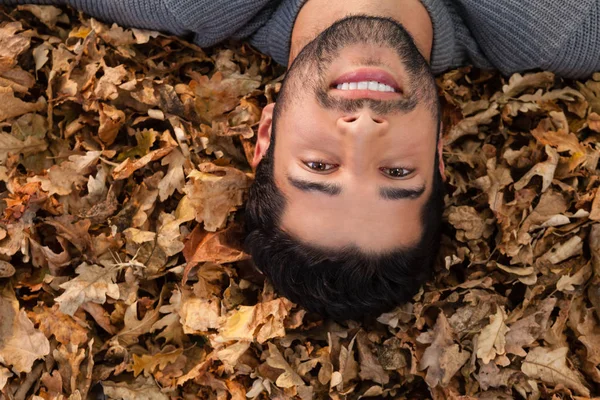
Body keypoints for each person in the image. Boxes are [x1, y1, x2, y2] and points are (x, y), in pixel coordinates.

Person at [4, 0, 600, 320]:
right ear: (440, 156)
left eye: (319, 167)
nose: (364, 131)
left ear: (265, 134)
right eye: (397, 174)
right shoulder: (569, 27)